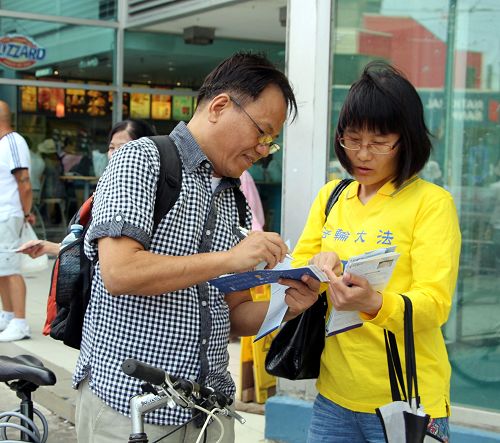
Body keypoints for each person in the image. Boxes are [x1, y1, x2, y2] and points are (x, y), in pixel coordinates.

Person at [74, 52, 319, 443]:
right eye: (262, 132)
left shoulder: (232, 196)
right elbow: (119, 272)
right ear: (221, 106)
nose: (262, 149)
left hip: (210, 413)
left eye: (270, 142)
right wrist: (230, 259)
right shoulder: (141, 160)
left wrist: (290, 306)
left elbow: (234, 314)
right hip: (133, 408)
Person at [291, 62, 461, 443]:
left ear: (408, 139)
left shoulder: (431, 204)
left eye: (379, 142)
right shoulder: (332, 196)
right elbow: (298, 271)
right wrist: (317, 268)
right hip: (334, 395)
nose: (362, 155)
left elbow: (435, 303)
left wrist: (374, 302)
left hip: (408, 397)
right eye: (352, 140)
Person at [19, 119, 156, 258]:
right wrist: (48, 247)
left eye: (123, 147)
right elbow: (94, 249)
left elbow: (112, 255)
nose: (114, 154)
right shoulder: (107, 189)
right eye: (111, 147)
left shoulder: (141, 196)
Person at [0, 100, 35, 342]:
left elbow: (23, 180)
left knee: (11, 268)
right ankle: (8, 314)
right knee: (2, 268)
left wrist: (25, 213)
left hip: (9, 214)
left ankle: (20, 321)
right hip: (5, 213)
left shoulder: (13, 141)